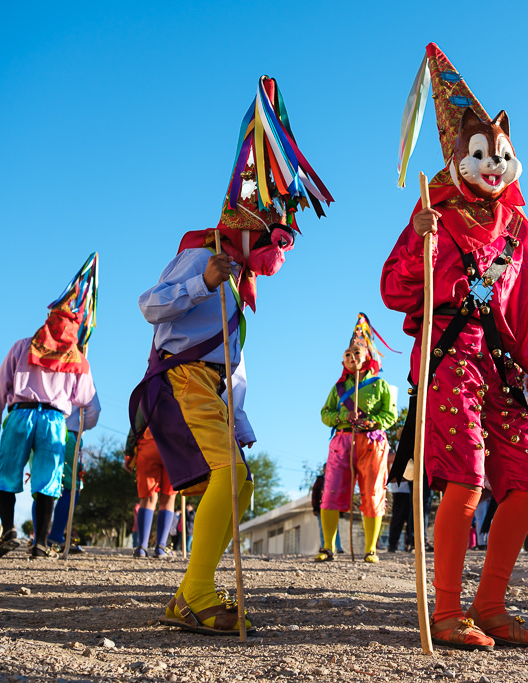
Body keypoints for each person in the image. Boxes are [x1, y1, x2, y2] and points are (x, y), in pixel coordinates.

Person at [382, 43, 528, 650]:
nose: (494, 164)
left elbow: (525, 309)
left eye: (503, 154)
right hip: (447, 355)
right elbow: (394, 289)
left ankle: (492, 605)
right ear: (458, 158)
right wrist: (418, 241)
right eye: (482, 154)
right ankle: (446, 610)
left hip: (501, 365)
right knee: (464, 476)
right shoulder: (432, 213)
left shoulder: (520, 231)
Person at [130, 74, 331, 635]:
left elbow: (234, 363)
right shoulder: (203, 256)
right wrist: (201, 283)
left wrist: (240, 418)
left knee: (239, 482)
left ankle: (192, 591)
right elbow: (149, 307)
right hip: (181, 380)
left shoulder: (240, 285)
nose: (280, 246)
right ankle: (194, 594)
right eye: (277, 231)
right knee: (226, 477)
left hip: (211, 390)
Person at [0, 257, 99, 560]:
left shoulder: (23, 346)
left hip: (20, 414)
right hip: (54, 420)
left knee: (8, 473)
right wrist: (81, 427)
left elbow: (2, 380)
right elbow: (87, 401)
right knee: (48, 482)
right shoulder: (77, 358)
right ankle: (41, 543)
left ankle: (8, 530)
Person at [316, 314, 398, 563]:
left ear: (367, 356)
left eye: (356, 353)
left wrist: (374, 422)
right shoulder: (338, 388)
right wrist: (342, 415)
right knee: (331, 491)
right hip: (342, 441)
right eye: (348, 355)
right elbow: (324, 414)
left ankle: (371, 549)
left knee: (372, 493)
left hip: (372, 443)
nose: (352, 358)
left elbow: (391, 413)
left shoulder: (381, 385)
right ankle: (327, 547)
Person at [44, 393, 101, 553]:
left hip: (43, 429)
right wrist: (81, 426)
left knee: (42, 483)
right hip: (68, 432)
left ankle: (39, 539)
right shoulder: (80, 370)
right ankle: (55, 536)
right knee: (72, 485)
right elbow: (94, 409)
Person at [124, 427, 177, 558]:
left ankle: (142, 547)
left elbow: (135, 421)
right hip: (174, 446)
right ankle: (161, 547)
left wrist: (129, 451)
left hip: (148, 443)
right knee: (168, 497)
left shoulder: (144, 404)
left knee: (147, 499)